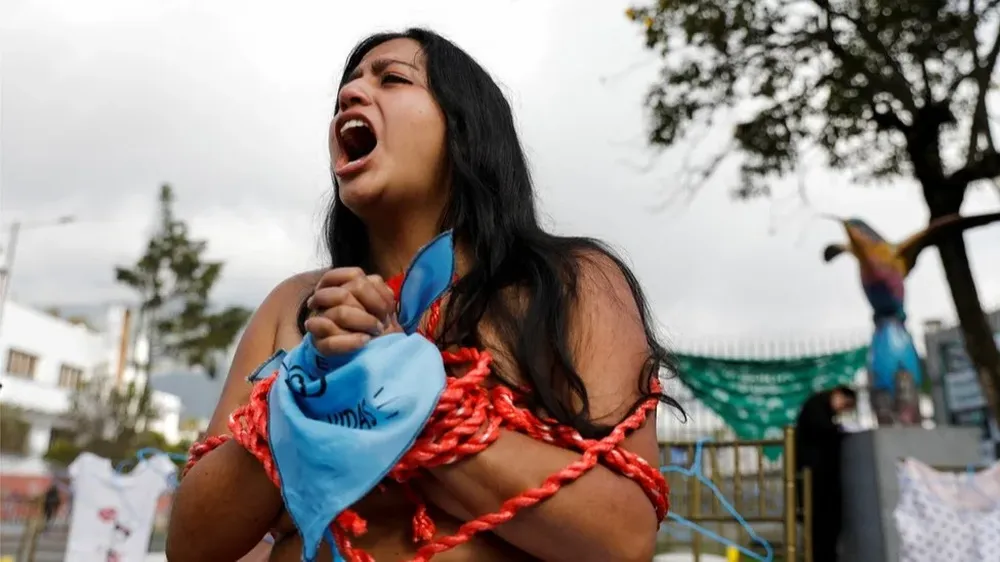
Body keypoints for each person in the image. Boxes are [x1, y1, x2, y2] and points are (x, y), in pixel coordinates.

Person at [167, 28, 681, 562]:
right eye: (345, 90)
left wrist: (398, 390)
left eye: (393, 79)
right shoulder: (292, 307)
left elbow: (623, 540)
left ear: (465, 127)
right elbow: (191, 547)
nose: (351, 94)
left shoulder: (570, 283)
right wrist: (311, 387)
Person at [794, 385, 857, 562]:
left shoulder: (821, 409)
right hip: (817, 478)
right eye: (845, 404)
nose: (843, 409)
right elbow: (822, 432)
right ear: (838, 395)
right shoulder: (817, 408)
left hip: (820, 478)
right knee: (821, 526)